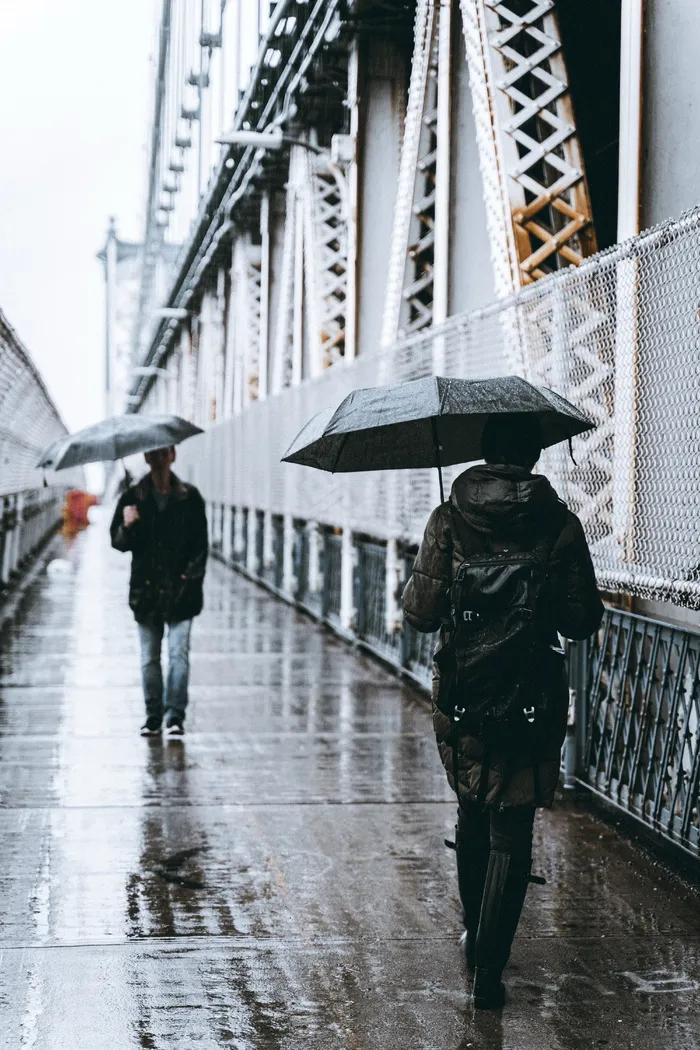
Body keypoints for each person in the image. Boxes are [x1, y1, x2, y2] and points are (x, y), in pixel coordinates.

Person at [402, 414, 603, 1009]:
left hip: (465, 690)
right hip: (532, 698)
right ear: (533, 460)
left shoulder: (448, 517)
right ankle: (490, 969)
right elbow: (581, 620)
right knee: (513, 830)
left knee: (472, 812)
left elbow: (419, 612)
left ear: (485, 456)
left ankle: (472, 935)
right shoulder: (560, 523)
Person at [110, 446, 208, 738]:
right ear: (147, 459)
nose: (160, 458)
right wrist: (127, 525)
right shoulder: (132, 498)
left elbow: (201, 545)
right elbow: (118, 542)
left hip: (181, 591)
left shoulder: (190, 497)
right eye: (154, 454)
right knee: (149, 657)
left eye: (165, 452)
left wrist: (188, 576)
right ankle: (153, 716)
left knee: (179, 654)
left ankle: (175, 715)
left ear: (173, 455)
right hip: (147, 590)